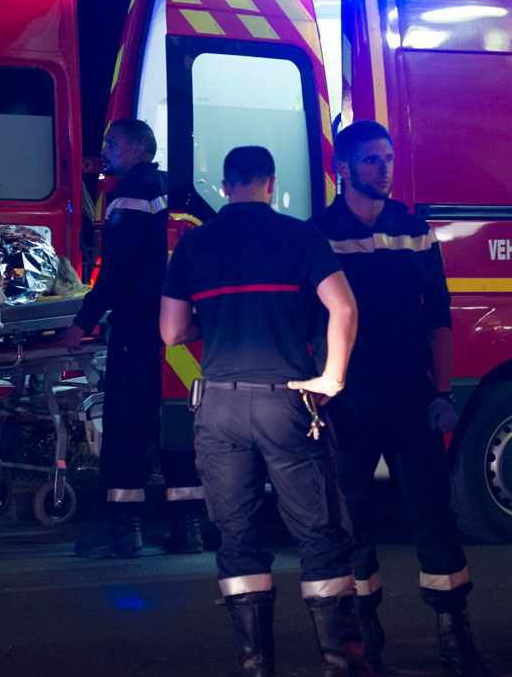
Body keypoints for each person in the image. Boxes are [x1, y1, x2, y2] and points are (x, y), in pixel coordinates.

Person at [160, 146, 371, 677]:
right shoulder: (302, 237)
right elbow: (343, 307)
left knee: (237, 536)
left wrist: (221, 318)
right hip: (288, 399)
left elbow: (172, 332)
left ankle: (257, 666)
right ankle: (339, 664)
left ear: (225, 185)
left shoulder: (194, 244)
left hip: (221, 405)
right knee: (319, 533)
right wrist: (333, 378)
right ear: (270, 184)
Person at [309, 120, 487, 676]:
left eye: (387, 158)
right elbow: (308, 325)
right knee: (352, 523)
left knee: (432, 517)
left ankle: (454, 635)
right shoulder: (319, 234)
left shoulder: (415, 230)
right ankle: (365, 638)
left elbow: (438, 316)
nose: (384, 168)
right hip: (348, 403)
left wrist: (442, 392)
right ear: (343, 168)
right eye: (371, 160)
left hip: (412, 397)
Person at [65, 119, 204, 559]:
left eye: (112, 143)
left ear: (140, 148)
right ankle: (189, 528)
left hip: (139, 330)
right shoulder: (171, 190)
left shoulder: (130, 193)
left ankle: (124, 530)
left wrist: (82, 321)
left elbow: (116, 271)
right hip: (179, 332)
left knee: (127, 423)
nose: (103, 149)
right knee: (177, 424)